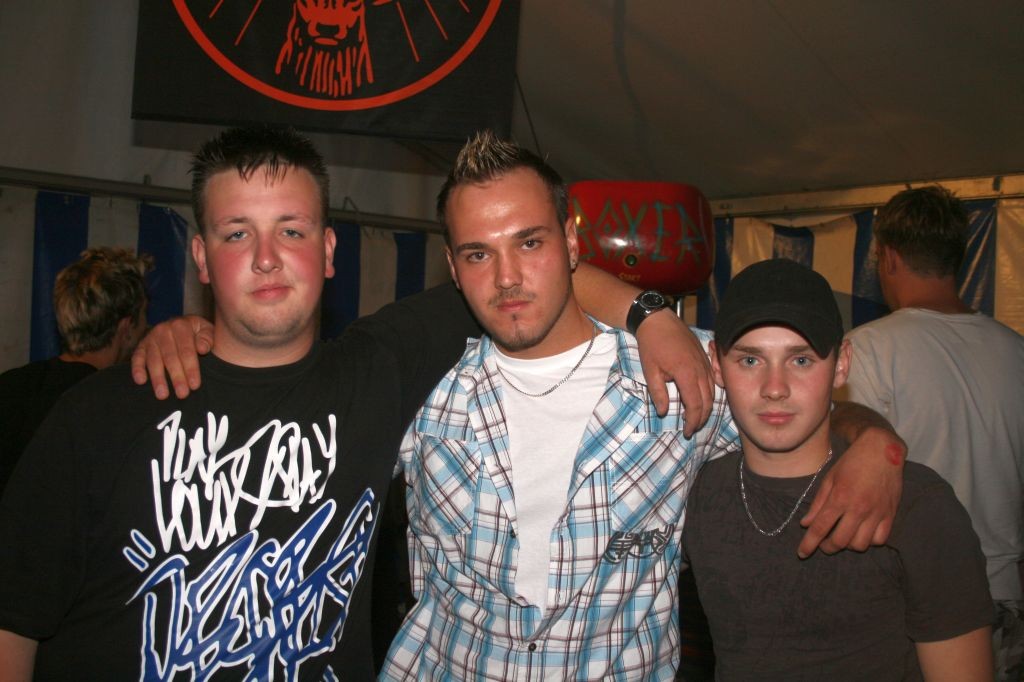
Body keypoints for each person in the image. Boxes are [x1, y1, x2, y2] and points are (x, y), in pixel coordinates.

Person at [0, 127, 713, 680]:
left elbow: (530, 268)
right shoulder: (104, 414)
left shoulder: (383, 371)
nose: (267, 257)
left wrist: (651, 315)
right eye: (237, 233)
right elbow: (14, 623)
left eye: (292, 229)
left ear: (330, 249)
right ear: (201, 258)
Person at [379, 132, 905, 680]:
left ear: (572, 242)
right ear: (452, 265)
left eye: (530, 243)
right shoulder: (423, 387)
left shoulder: (681, 373)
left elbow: (803, 405)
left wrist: (874, 443)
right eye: (478, 254)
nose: (506, 277)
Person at [683, 258, 993, 680]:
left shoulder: (917, 504)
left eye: (801, 360)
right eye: (750, 361)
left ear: (842, 363)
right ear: (717, 365)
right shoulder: (697, 493)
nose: (775, 388)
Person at [842, 186, 1024, 680]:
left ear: (889, 258)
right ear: (957, 258)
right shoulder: (1015, 350)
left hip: (913, 600)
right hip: (1004, 595)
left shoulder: (866, 350)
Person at [0, 246, 150, 493]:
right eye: (144, 316)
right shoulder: (116, 405)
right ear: (126, 328)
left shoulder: (11, 386)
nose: (146, 326)